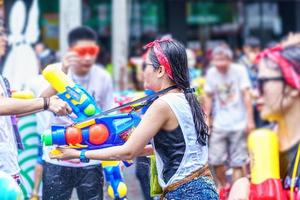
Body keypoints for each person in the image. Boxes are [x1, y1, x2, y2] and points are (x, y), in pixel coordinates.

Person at [50, 39, 218, 199]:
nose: (143, 71)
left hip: (185, 193)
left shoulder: (163, 104)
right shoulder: (186, 98)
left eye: (146, 66)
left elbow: (128, 151)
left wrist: (78, 154)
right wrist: (132, 151)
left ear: (160, 70)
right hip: (202, 188)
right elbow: (176, 147)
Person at [41, 26, 113, 200]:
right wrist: (63, 72)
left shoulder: (103, 76)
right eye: (82, 51)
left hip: (90, 159)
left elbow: (109, 117)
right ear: (70, 52)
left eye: (92, 51)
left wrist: (113, 160)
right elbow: (40, 102)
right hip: (56, 157)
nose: (88, 57)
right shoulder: (56, 72)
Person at [228, 33, 300, 199]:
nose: (255, 92)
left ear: (294, 85)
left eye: (263, 83)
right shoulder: (266, 141)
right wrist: (243, 185)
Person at [0, 24, 72, 185]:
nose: (5, 39)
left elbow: (25, 106)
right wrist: (46, 103)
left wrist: (62, 74)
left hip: (8, 167)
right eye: (0, 34)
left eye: (4, 34)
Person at [204, 46, 254, 193]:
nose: (219, 64)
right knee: (215, 159)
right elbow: (208, 95)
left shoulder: (239, 71)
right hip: (220, 123)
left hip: (239, 123)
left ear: (229, 59)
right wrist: (208, 118)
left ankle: (236, 192)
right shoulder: (212, 73)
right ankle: (225, 187)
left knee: (238, 162)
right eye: (216, 60)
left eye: (223, 60)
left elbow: (246, 95)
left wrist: (250, 120)